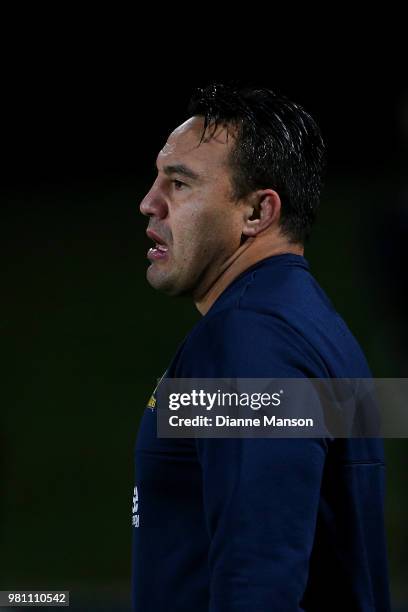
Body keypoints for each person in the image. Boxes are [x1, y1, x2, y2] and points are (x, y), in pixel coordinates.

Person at [131, 83, 391, 611]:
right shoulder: (303, 320)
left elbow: (258, 586)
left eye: (178, 184)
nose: (148, 203)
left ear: (256, 213)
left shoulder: (250, 341)